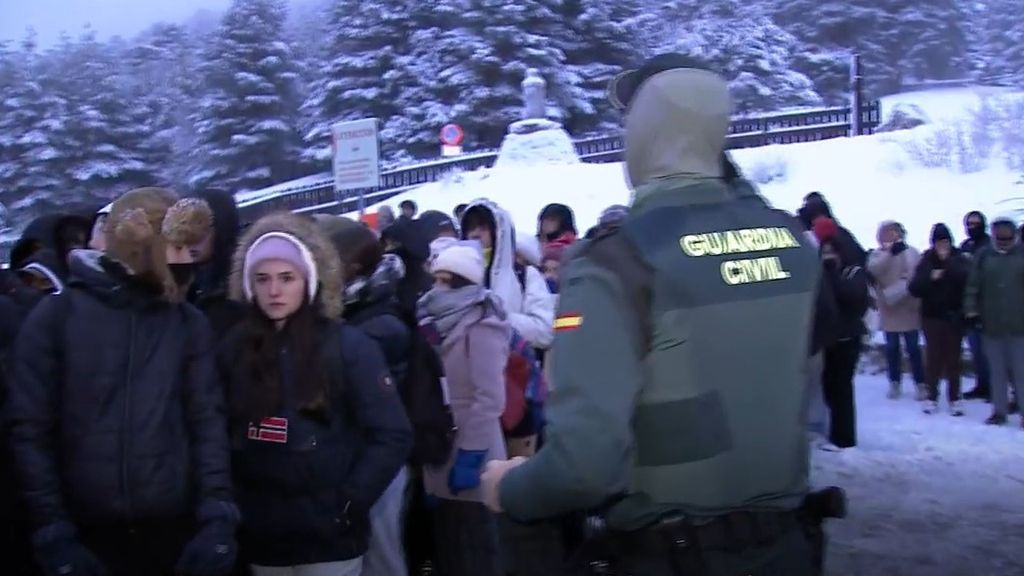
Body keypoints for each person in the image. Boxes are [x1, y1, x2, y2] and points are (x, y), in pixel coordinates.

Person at [481, 54, 831, 575]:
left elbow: (585, 465)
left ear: (642, 132)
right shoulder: (790, 243)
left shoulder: (616, 260)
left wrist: (509, 488)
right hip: (785, 547)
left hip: (669, 554)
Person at [8, 187, 239, 576]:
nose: (189, 262)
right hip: (86, 537)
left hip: (173, 534)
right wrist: (51, 528)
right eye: (177, 249)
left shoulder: (187, 323)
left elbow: (206, 422)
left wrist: (217, 515)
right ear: (144, 247)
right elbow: (30, 430)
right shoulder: (56, 319)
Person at [220, 212, 412, 576]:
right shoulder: (233, 349)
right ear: (248, 285)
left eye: (286, 278)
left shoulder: (349, 347)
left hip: (329, 538)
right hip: (264, 538)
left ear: (309, 280)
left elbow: (392, 433)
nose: (274, 291)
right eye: (262, 279)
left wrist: (349, 501)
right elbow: (217, 430)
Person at [315, 214, 413, 576]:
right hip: (357, 459)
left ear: (349, 267)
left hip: (376, 465)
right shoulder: (358, 311)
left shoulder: (376, 325)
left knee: (382, 560)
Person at [418, 243, 509, 576]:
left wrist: (471, 454)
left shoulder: (484, 324)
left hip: (474, 452)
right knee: (451, 551)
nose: (439, 288)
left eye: (448, 281)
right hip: (441, 447)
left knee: (478, 550)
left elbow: (490, 398)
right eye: (437, 279)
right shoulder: (430, 320)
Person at [815, 218, 870, 450]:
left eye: (832, 251)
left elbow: (855, 300)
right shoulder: (822, 275)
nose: (829, 256)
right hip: (830, 338)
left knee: (842, 389)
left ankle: (844, 438)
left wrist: (833, 275)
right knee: (829, 386)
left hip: (848, 337)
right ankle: (835, 432)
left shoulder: (852, 272)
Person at [964, 216, 1024, 427]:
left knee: (1021, 370)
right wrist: (972, 311)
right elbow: (972, 286)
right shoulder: (983, 256)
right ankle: (999, 410)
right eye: (1000, 238)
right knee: (996, 370)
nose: (1003, 242)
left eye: (1007, 238)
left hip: (1019, 323)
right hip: (991, 322)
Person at [908, 224, 970, 416]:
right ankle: (931, 396)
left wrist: (948, 264)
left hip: (954, 317)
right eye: (938, 242)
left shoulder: (960, 258)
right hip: (932, 317)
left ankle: (955, 398)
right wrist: (930, 277)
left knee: (954, 359)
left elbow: (967, 279)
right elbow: (914, 288)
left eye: (945, 242)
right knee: (933, 359)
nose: (942, 246)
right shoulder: (926, 261)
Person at [868, 220, 925, 401]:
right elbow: (874, 271)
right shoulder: (877, 255)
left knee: (913, 348)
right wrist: (890, 254)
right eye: (885, 233)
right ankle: (894, 382)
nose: (888, 236)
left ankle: (920, 383)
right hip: (888, 309)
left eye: (892, 232)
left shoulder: (911, 252)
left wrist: (899, 289)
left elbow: (915, 275)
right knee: (892, 348)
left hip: (908, 307)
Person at [184, 189, 247, 339]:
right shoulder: (180, 281)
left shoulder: (243, 281)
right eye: (186, 228)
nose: (191, 239)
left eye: (201, 228)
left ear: (222, 227)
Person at [960, 210, 991, 400]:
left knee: (991, 352)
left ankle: (996, 387)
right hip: (969, 305)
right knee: (976, 350)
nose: (972, 228)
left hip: (989, 305)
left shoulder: (990, 246)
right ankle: (982, 385)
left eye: (975, 224)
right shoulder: (966, 246)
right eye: (969, 224)